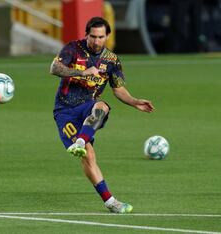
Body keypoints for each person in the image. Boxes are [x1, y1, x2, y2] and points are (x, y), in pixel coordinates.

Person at [49, 17, 154, 214]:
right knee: (89, 156)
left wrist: (134, 102)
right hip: (64, 110)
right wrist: (81, 73)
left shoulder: (111, 60)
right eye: (93, 37)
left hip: (87, 106)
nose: (96, 41)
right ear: (86, 34)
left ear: (107, 36)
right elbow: (54, 68)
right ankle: (110, 201)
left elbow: (118, 89)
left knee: (102, 106)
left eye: (101, 37)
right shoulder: (73, 49)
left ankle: (80, 141)